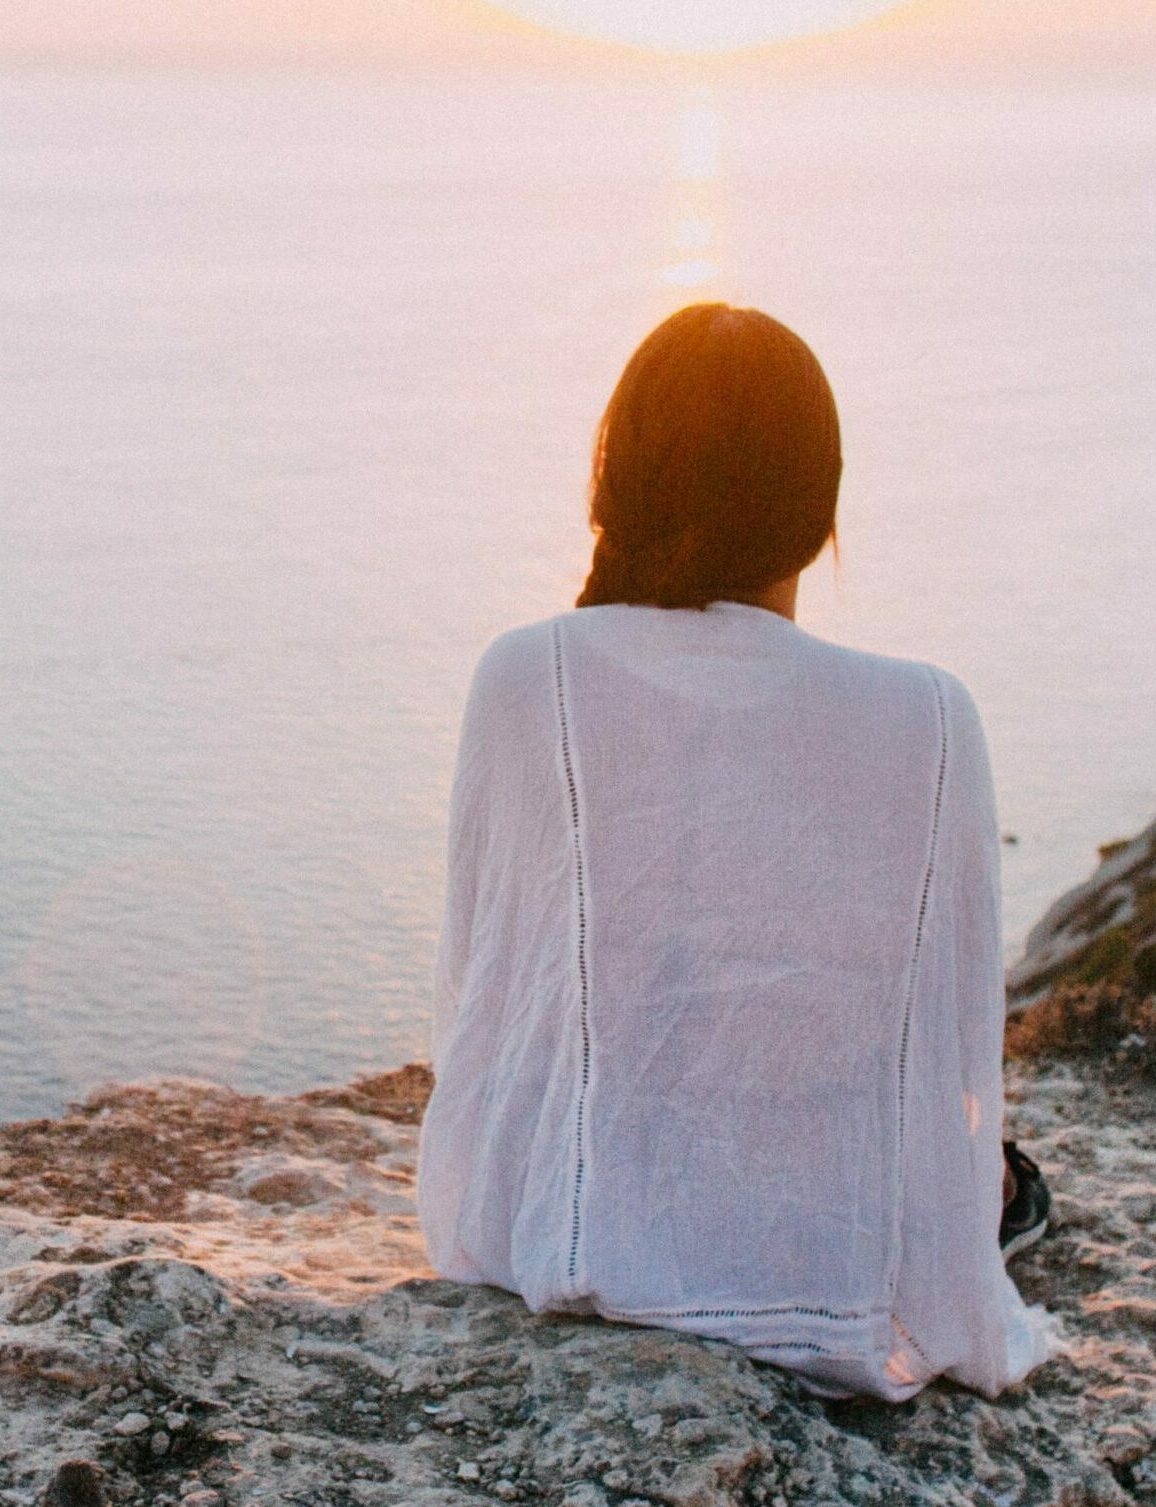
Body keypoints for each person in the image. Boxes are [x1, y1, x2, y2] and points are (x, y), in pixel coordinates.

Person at [415, 303, 1060, 1402]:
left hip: (575, 1234)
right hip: (832, 1251)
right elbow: (949, 1045)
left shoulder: (526, 677)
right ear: (817, 509)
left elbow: (486, 1012)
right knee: (992, 1178)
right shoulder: (932, 716)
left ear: (614, 482)